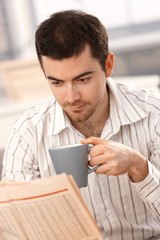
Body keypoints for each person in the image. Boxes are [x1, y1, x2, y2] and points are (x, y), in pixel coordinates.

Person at [2, 9, 160, 239]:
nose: (71, 97)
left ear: (108, 65)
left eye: (82, 79)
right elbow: (17, 230)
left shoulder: (153, 113)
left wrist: (139, 167)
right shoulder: (28, 134)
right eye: (56, 82)